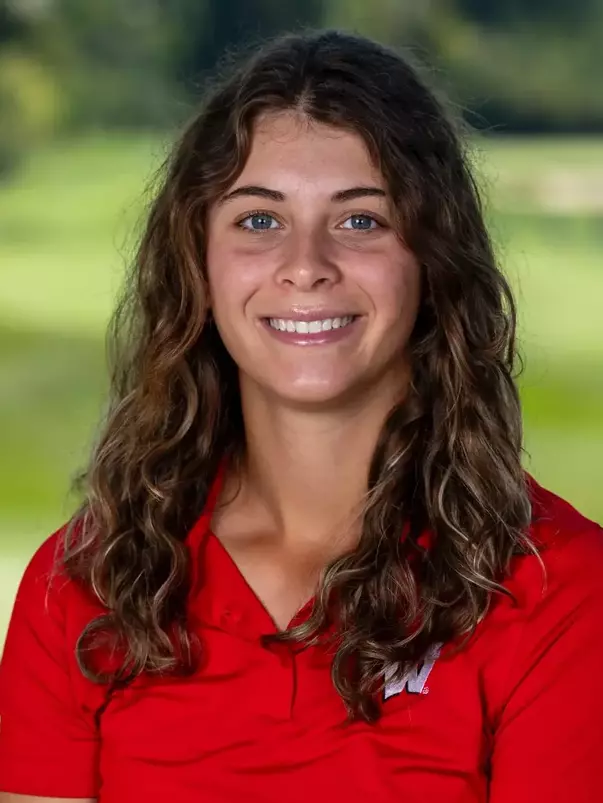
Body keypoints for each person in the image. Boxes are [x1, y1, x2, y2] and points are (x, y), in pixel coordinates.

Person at [0, 28, 602, 803]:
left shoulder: (560, 588)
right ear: (197, 262)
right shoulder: (89, 583)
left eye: (360, 220)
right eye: (259, 220)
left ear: (432, 259)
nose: (306, 266)